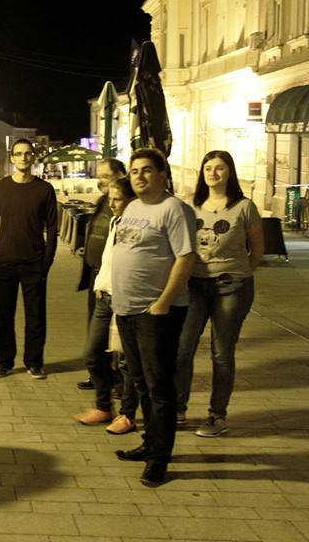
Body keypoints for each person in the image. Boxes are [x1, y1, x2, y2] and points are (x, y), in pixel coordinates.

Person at [112, 148, 197, 488]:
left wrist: (163, 302)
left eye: (147, 170)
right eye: (134, 171)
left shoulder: (174, 209)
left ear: (163, 174)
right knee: (142, 382)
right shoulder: (133, 207)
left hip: (155, 312)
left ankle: (159, 460)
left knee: (160, 387)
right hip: (127, 309)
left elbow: (186, 257)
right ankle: (151, 445)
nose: (140, 176)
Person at [175, 151, 263, 437]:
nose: (213, 173)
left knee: (221, 353)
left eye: (220, 168)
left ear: (229, 172)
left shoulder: (244, 207)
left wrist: (239, 273)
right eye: (208, 168)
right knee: (182, 348)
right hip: (195, 285)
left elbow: (257, 249)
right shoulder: (191, 204)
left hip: (231, 286)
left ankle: (217, 415)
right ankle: (178, 408)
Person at [0, 138, 57, 379]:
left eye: (28, 153)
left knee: (35, 316)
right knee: (2, 317)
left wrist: (46, 262)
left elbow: (53, 228)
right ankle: (4, 362)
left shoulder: (44, 189)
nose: (24, 157)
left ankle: (34, 362)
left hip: (33, 262)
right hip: (3, 262)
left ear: (33, 157)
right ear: (12, 157)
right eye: (19, 153)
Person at [73, 177, 139, 434]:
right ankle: (103, 406)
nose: (111, 204)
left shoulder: (137, 225)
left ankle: (128, 414)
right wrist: (100, 283)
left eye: (118, 199)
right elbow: (108, 258)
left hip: (127, 299)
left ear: (131, 200)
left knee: (126, 361)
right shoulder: (115, 220)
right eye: (110, 198)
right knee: (92, 353)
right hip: (105, 296)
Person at [75, 158, 127, 390]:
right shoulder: (102, 201)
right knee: (94, 328)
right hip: (97, 276)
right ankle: (99, 375)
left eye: (106, 176)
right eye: (100, 176)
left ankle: (115, 378)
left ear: (120, 175)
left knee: (114, 331)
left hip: (114, 280)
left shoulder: (125, 204)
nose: (101, 180)